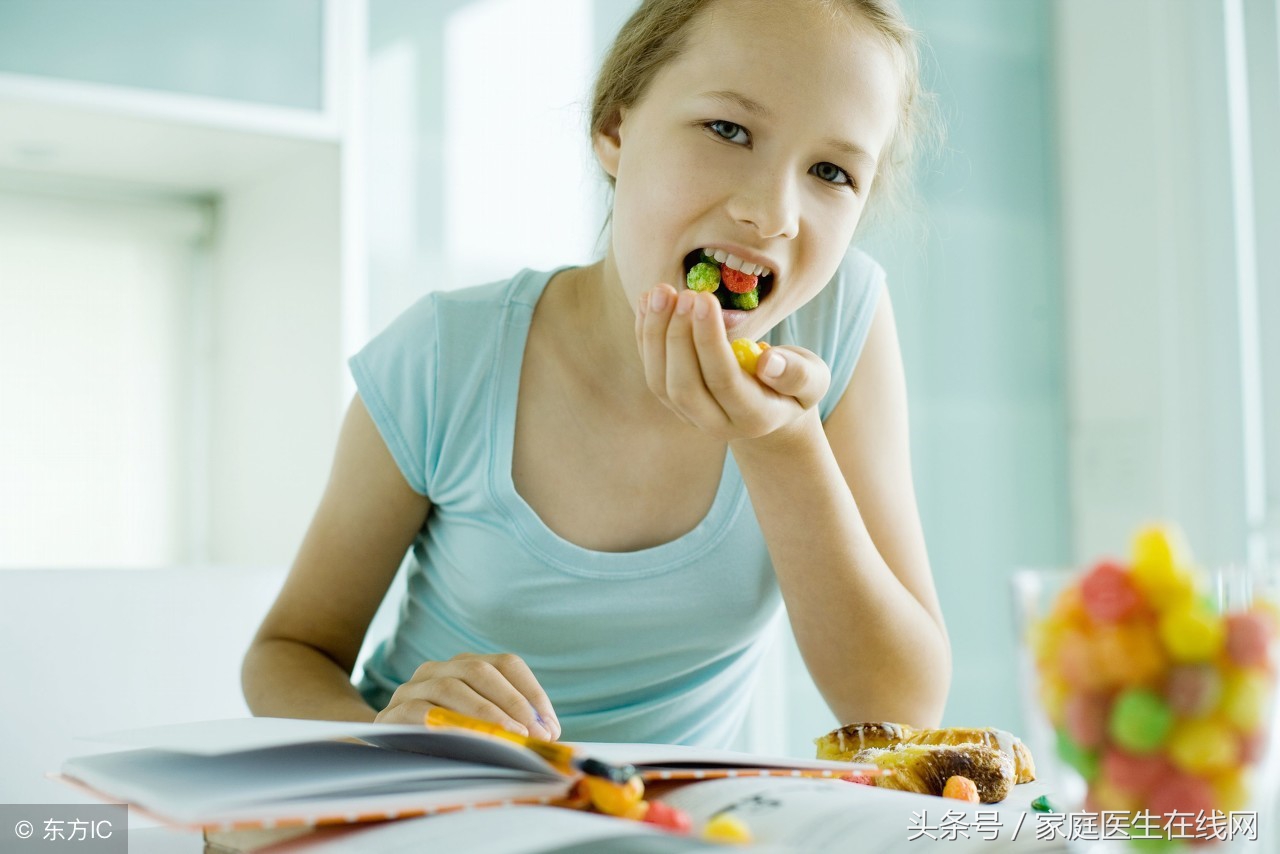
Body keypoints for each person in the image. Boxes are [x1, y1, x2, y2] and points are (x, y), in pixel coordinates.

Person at [242, 0, 951, 748]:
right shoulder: (448, 354)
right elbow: (287, 655)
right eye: (729, 130)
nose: (771, 212)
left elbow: (899, 714)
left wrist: (783, 444)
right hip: (433, 805)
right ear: (614, 129)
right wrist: (383, 743)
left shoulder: (839, 322)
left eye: (832, 171)